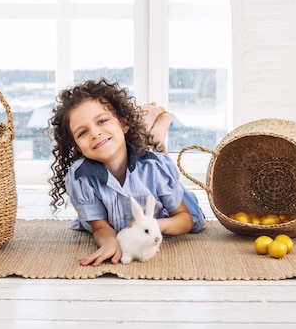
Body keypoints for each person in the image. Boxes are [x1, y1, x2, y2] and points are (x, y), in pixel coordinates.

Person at [48, 78, 206, 266]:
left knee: (196, 220)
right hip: (122, 209)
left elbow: (185, 218)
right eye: (82, 133)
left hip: (162, 206)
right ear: (78, 148)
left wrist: (157, 225)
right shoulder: (79, 177)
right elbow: (100, 227)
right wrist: (109, 242)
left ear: (123, 123)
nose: (95, 133)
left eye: (102, 121)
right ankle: (150, 137)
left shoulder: (155, 168)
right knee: (88, 223)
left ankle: (154, 139)